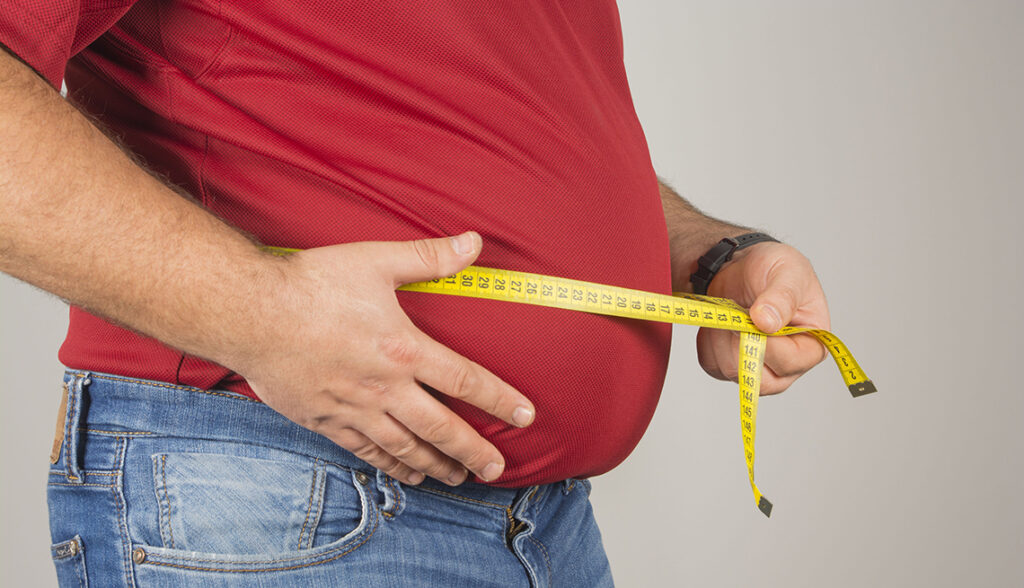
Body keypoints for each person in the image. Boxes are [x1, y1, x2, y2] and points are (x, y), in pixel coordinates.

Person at [0, 2, 829, 586]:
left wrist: (707, 253)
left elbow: (500, 126)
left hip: (547, 527)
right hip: (284, 485)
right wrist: (264, 312)